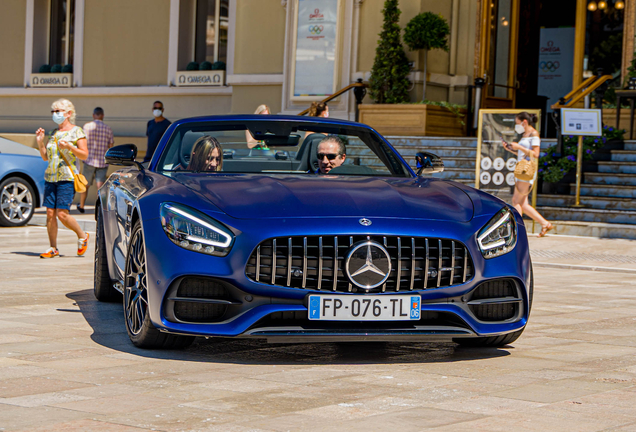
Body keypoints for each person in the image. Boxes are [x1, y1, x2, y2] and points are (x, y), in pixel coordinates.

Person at [35, 98, 90, 258]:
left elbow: (84, 154)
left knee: (62, 214)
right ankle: (53, 248)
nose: (55, 114)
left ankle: (82, 235)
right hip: (51, 177)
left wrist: (70, 147)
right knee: (50, 213)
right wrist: (40, 143)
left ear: (68, 113)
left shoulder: (77, 131)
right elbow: (46, 157)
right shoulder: (53, 133)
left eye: (58, 111)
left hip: (67, 177)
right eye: (53, 111)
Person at [503, 111, 554, 237]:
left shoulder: (534, 134)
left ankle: (516, 230)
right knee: (523, 204)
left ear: (524, 122)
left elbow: (535, 154)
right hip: (522, 169)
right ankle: (545, 224)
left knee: (516, 201)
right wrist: (511, 149)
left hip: (526, 171)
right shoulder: (526, 134)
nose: (517, 126)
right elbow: (524, 154)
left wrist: (519, 147)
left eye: (517, 123)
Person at [77, 107, 114, 213]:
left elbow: (82, 142)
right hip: (102, 161)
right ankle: (100, 207)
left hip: (89, 159)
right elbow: (110, 145)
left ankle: (82, 205)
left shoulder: (86, 127)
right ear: (102, 115)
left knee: (85, 184)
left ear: (94, 115)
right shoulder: (108, 128)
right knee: (100, 185)